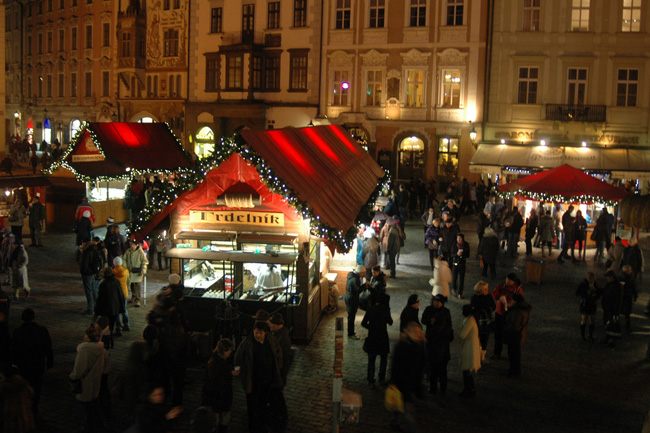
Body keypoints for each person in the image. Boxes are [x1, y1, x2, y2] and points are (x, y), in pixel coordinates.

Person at [234, 320, 287, 433]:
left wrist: (278, 367)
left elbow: (278, 354)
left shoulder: (271, 341)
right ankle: (254, 427)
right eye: (256, 332)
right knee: (253, 406)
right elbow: (238, 359)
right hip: (253, 381)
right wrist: (239, 370)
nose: (257, 335)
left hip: (267, 380)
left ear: (265, 333)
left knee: (263, 404)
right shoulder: (247, 344)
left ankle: (262, 425)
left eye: (260, 333)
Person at [11, 308, 53, 416]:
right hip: (38, 364)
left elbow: (14, 350)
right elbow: (48, 347)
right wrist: (49, 361)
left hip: (23, 366)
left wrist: (14, 364)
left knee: (24, 387)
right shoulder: (42, 330)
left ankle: (26, 407)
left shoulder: (17, 332)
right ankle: (34, 408)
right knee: (37, 387)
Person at [389, 321, 426, 432]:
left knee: (400, 407)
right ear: (408, 332)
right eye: (415, 332)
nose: (418, 334)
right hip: (402, 384)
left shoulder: (420, 345)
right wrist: (393, 383)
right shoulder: (402, 346)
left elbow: (421, 367)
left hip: (411, 384)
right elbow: (395, 366)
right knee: (408, 412)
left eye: (419, 332)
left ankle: (395, 422)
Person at [70, 323, 106, 433]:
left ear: (89, 336)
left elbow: (79, 371)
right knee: (93, 407)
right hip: (94, 383)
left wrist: (72, 377)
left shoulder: (85, 350)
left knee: (88, 409)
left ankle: (91, 427)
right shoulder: (100, 348)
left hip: (85, 385)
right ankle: (98, 425)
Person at [421, 294, 453, 397]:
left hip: (442, 345)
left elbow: (449, 327)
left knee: (442, 369)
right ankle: (433, 387)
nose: (436, 303)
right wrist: (429, 321)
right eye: (435, 301)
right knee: (433, 368)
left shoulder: (446, 312)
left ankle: (443, 388)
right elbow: (423, 320)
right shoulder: (429, 309)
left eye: (438, 302)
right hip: (432, 344)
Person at [201, 338, 236, 433]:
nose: (230, 353)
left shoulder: (218, 360)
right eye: (229, 351)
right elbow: (216, 379)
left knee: (220, 416)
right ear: (225, 351)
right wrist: (230, 374)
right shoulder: (215, 362)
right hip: (217, 395)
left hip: (219, 395)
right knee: (216, 417)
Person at [361, 293, 393, 387]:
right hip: (383, 337)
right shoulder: (386, 310)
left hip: (372, 337)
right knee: (383, 359)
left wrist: (371, 327)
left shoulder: (371, 309)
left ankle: (370, 380)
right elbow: (390, 322)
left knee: (371, 360)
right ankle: (381, 378)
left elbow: (363, 323)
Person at [491, 273, 523, 359]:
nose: (507, 281)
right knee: (498, 334)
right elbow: (494, 293)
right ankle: (497, 353)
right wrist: (500, 297)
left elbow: (520, 300)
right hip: (499, 312)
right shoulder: (502, 285)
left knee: (509, 335)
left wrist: (511, 304)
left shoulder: (517, 289)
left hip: (509, 315)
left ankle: (510, 354)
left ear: (514, 281)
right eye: (507, 279)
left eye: (509, 280)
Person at [504, 294, 532, 377]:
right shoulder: (523, 309)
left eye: (512, 300)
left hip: (514, 335)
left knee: (513, 354)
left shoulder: (517, 311)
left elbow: (515, 325)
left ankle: (514, 372)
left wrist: (506, 326)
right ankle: (514, 370)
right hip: (518, 335)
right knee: (515, 353)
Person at [94, 267, 126, 337]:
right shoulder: (117, 282)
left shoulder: (103, 284)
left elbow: (100, 299)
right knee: (111, 324)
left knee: (106, 326)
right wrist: (122, 306)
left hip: (106, 309)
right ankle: (110, 337)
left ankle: (107, 339)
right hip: (115, 308)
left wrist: (97, 311)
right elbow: (121, 295)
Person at [470, 281, 496, 360]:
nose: (487, 291)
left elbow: (493, 306)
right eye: (485, 289)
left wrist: (489, 309)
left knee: (485, 338)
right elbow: (473, 309)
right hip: (478, 321)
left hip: (487, 321)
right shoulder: (474, 298)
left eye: (487, 289)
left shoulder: (489, 296)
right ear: (480, 290)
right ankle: (477, 355)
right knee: (477, 338)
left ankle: (482, 356)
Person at [459, 304, 481, 397]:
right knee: (468, 370)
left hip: (469, 347)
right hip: (471, 346)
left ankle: (468, 390)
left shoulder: (469, 321)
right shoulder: (471, 319)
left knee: (466, 370)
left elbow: (462, 335)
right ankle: (470, 389)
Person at [123, 239, 148, 307]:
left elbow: (144, 261)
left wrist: (143, 270)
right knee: (131, 284)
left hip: (137, 271)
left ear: (135, 244)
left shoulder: (140, 252)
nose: (131, 245)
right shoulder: (128, 251)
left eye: (132, 244)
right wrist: (125, 267)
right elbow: (124, 259)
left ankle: (138, 299)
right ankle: (133, 296)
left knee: (137, 285)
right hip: (130, 271)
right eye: (130, 244)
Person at [79, 240, 103, 314]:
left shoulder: (87, 252)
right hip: (93, 273)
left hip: (87, 274)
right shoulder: (95, 251)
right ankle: (97, 306)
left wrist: (84, 271)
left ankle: (90, 308)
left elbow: (84, 265)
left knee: (89, 291)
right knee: (93, 290)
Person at [575, 271, 600, 341]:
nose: (591, 279)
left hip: (592, 304)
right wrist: (586, 293)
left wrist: (595, 293)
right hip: (585, 304)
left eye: (592, 278)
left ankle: (590, 335)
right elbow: (577, 293)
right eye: (590, 278)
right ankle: (583, 336)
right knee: (584, 319)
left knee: (592, 320)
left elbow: (598, 293)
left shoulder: (595, 284)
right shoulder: (583, 284)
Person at [269, 313, 293, 387]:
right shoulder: (278, 334)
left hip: (279, 371)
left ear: (277, 325)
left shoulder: (284, 338)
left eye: (271, 324)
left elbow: (285, 357)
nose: (269, 325)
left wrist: (280, 371)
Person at [345, 264, 367, 339]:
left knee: (351, 316)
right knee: (351, 317)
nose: (363, 275)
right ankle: (350, 334)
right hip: (352, 299)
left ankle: (351, 332)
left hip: (349, 298)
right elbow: (358, 290)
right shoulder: (355, 279)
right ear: (360, 272)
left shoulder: (351, 276)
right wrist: (365, 285)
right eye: (363, 273)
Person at [112, 257, 131, 333]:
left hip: (116, 293)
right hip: (124, 292)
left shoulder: (113, 272)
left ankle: (118, 328)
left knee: (117, 311)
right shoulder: (125, 271)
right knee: (124, 310)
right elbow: (128, 281)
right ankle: (126, 325)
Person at [450, 233, 470, 299]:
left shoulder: (466, 245)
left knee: (461, 279)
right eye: (457, 238)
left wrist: (462, 254)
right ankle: (454, 288)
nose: (458, 240)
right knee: (454, 277)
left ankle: (460, 292)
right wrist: (457, 254)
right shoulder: (454, 244)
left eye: (460, 238)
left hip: (462, 263)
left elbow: (468, 255)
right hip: (455, 263)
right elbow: (452, 254)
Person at [620, 265, 638, 333]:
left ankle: (627, 326)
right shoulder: (623, 278)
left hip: (628, 296)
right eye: (629, 270)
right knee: (625, 311)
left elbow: (633, 287)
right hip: (625, 297)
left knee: (627, 312)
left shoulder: (630, 278)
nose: (631, 271)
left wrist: (635, 295)